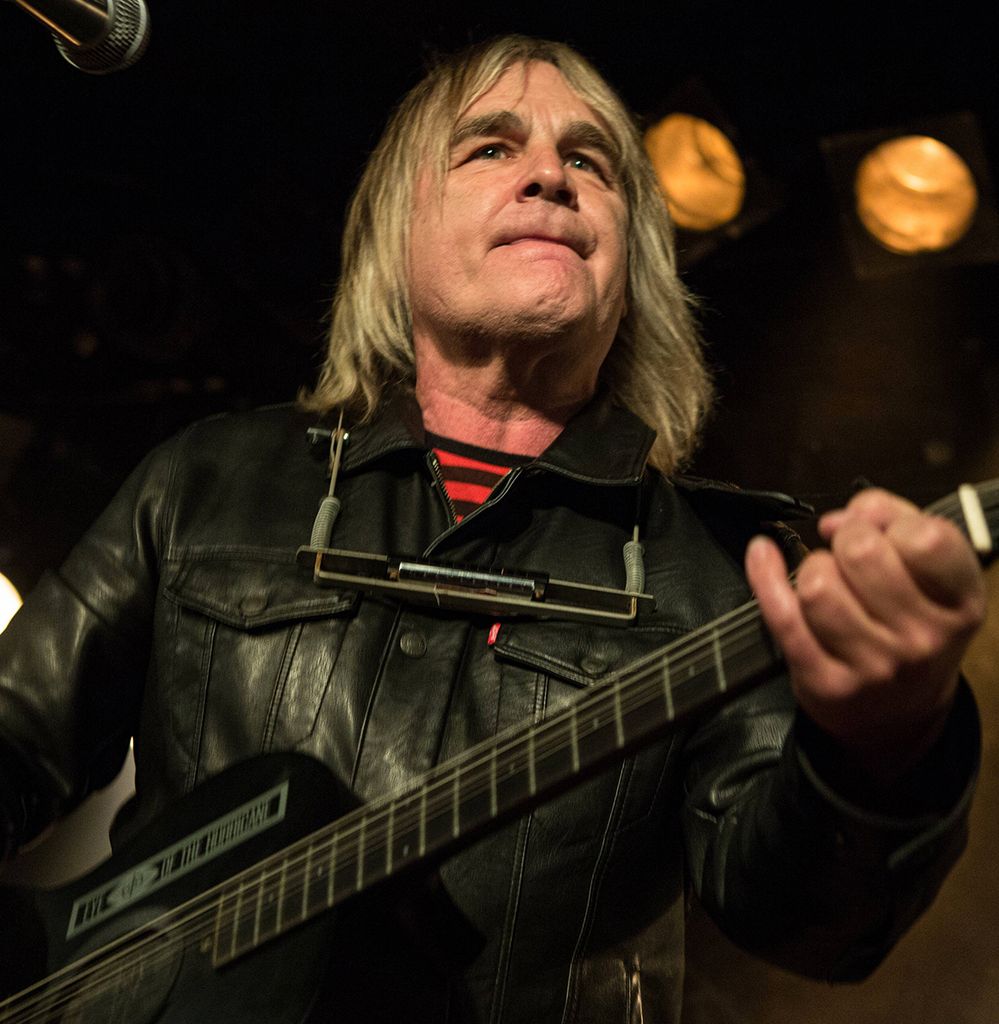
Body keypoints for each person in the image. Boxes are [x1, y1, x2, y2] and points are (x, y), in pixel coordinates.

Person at [0, 35, 985, 1023]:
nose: (551, 175)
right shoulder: (207, 479)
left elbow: (802, 915)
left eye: (592, 163)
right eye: (489, 148)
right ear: (398, 225)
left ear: (632, 260)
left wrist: (884, 747)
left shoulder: (725, 576)